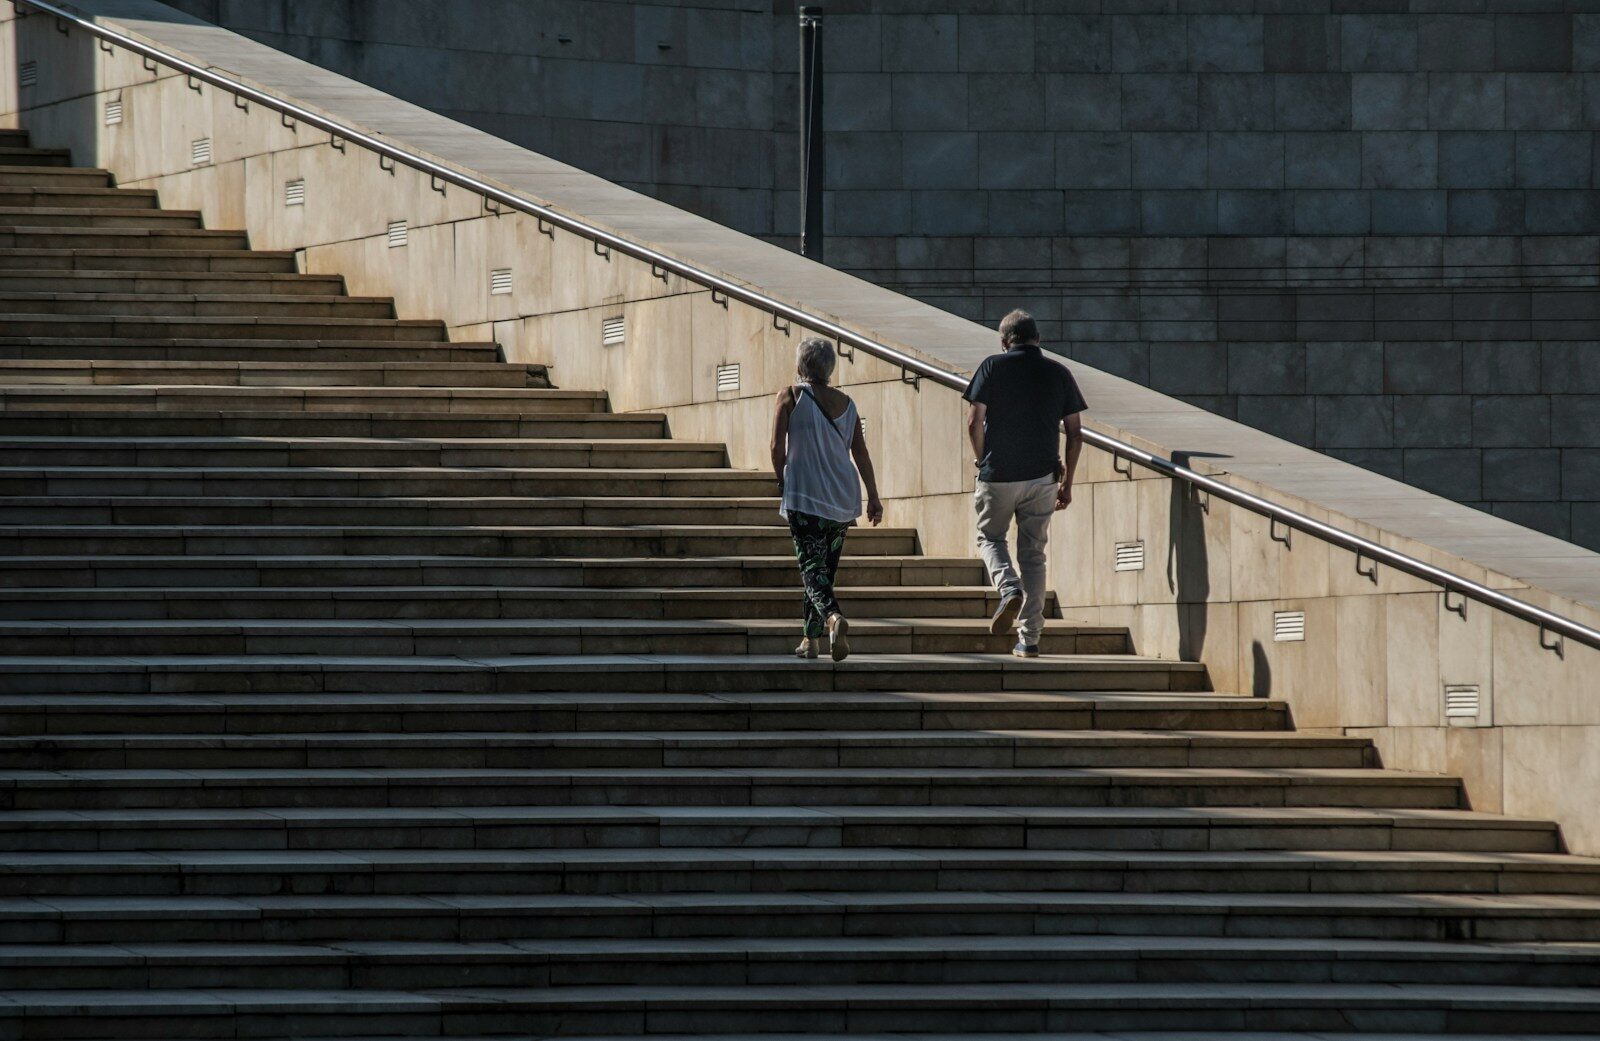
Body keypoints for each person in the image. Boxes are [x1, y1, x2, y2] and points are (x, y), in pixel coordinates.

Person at [963, 309, 1087, 658]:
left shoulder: (992, 366)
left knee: (989, 537)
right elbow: (1076, 435)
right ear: (1038, 339)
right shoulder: (1059, 373)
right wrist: (1069, 484)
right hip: (1043, 477)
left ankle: (1008, 587)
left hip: (998, 473)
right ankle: (1029, 639)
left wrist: (982, 458)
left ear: (1005, 341)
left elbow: (974, 421)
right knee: (1033, 554)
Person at [771, 337, 883, 661]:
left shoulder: (790, 397)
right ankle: (811, 640)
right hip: (842, 498)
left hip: (806, 496)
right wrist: (873, 496)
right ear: (830, 369)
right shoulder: (848, 403)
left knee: (810, 567)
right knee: (823, 571)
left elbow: (775, 447)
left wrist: (781, 478)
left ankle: (833, 618)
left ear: (799, 366)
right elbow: (860, 452)